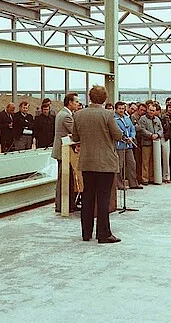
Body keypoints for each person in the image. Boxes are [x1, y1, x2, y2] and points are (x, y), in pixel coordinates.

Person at [71, 85, 123, 244]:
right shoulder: (108, 115)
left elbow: (75, 136)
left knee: (87, 197)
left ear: (90, 97)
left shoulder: (79, 115)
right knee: (103, 198)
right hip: (105, 163)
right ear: (105, 99)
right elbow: (118, 135)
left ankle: (86, 233)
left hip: (87, 162)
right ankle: (104, 233)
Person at [51, 92, 80, 214]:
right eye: (76, 102)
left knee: (65, 179)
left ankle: (67, 204)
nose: (78, 104)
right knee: (64, 179)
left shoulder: (62, 113)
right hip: (64, 151)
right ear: (70, 103)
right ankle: (63, 205)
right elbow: (75, 132)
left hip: (63, 150)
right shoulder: (66, 116)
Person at [114, 101, 142, 190]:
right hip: (119, 145)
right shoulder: (114, 119)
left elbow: (132, 129)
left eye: (123, 108)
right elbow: (115, 131)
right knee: (120, 165)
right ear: (116, 109)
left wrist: (132, 137)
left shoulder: (127, 118)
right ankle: (119, 184)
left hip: (129, 146)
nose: (122, 110)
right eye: (120, 109)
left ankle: (133, 183)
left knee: (132, 164)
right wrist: (123, 138)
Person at [136, 103, 164, 185]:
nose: (152, 112)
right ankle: (145, 179)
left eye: (153, 111)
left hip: (156, 144)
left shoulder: (157, 119)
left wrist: (158, 135)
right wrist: (151, 135)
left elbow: (161, 129)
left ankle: (152, 177)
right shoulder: (143, 119)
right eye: (150, 110)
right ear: (147, 110)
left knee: (153, 161)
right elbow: (142, 129)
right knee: (145, 161)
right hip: (146, 143)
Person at [157, 102, 171, 183]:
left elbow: (170, 129)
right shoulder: (161, 118)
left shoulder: (170, 117)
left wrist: (166, 136)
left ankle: (166, 176)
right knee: (158, 158)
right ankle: (159, 176)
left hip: (166, 138)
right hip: (159, 138)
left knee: (166, 158)